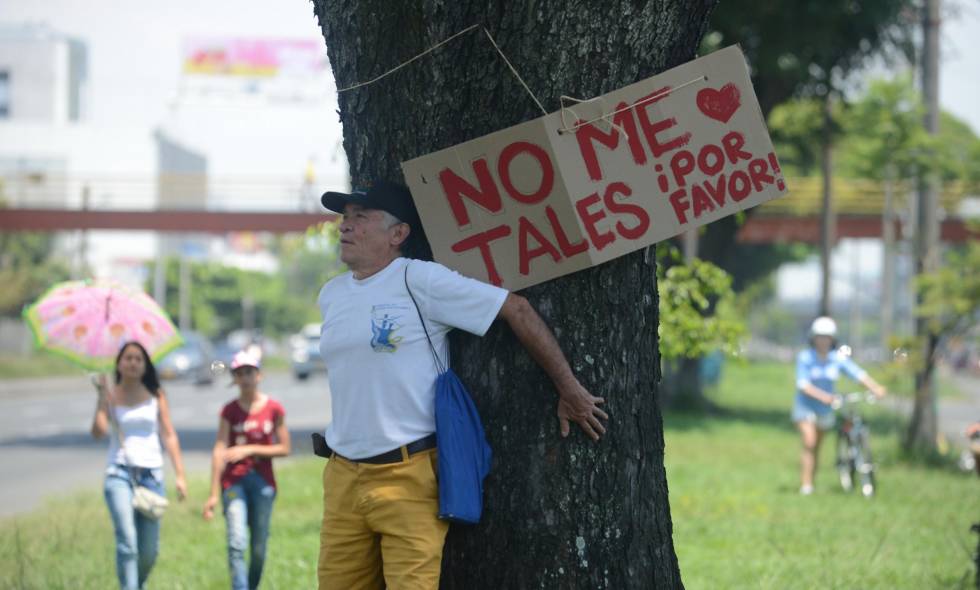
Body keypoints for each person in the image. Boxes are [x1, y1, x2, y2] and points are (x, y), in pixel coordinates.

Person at [315, 181, 608, 589]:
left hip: (408, 475)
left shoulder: (418, 279)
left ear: (398, 235)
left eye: (361, 218)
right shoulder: (331, 295)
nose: (346, 226)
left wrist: (569, 389)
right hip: (342, 475)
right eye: (344, 218)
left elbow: (516, 308)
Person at [90, 341, 188, 590]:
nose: (133, 363)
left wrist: (180, 475)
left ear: (145, 366)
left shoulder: (156, 395)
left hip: (151, 477)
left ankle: (137, 583)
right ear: (119, 364)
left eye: (138, 359)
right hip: (119, 473)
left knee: (149, 551)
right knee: (127, 540)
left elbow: (169, 434)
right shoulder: (111, 396)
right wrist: (102, 397)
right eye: (128, 358)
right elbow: (98, 432)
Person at [203, 350, 291, 590]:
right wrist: (212, 493)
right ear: (234, 378)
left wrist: (249, 450)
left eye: (249, 372)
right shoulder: (229, 411)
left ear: (259, 375)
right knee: (236, 542)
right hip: (234, 482)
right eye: (239, 373)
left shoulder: (273, 409)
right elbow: (219, 448)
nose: (245, 377)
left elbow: (284, 448)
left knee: (259, 547)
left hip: (263, 483)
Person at [792, 316, 886, 495]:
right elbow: (803, 385)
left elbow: (857, 374)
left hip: (825, 409)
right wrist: (823, 396)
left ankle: (811, 479)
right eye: (820, 336)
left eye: (827, 337)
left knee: (817, 446)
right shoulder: (805, 358)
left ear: (832, 339)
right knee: (809, 441)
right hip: (805, 407)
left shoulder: (836, 358)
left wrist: (875, 387)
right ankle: (806, 486)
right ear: (813, 338)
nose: (823, 340)